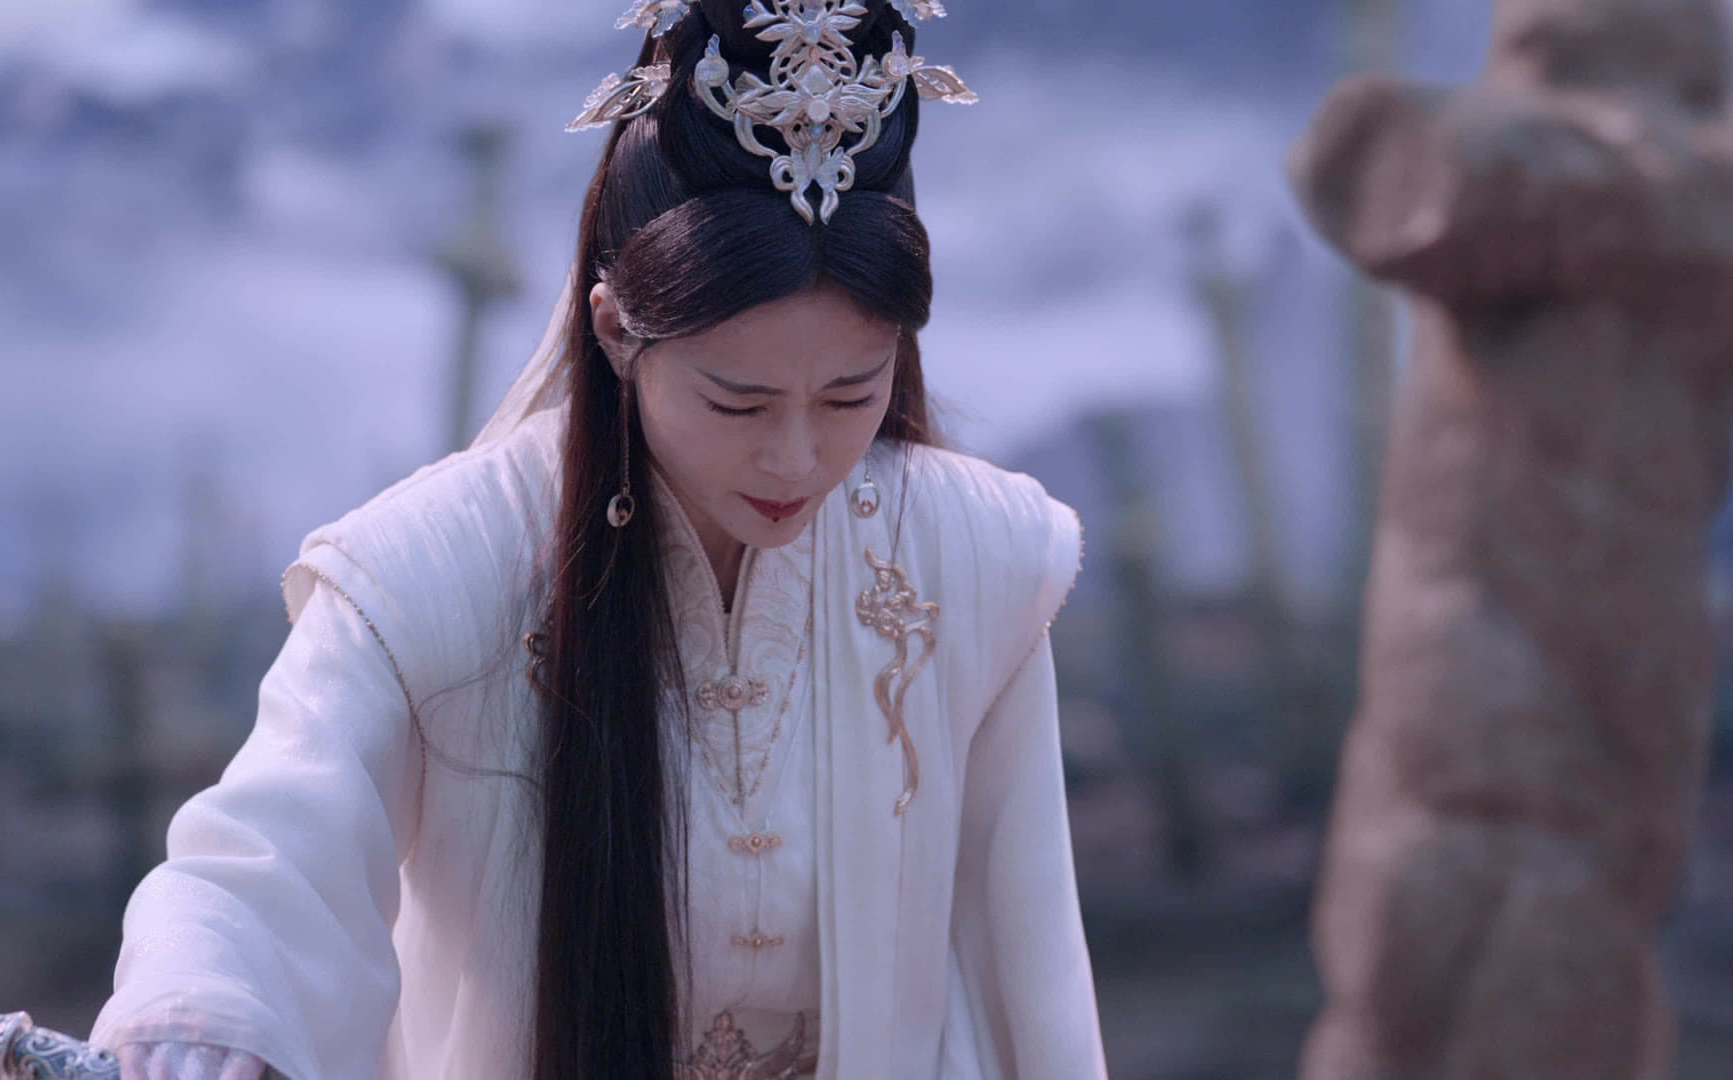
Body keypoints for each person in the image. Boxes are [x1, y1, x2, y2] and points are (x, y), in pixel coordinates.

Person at [93, 2, 1108, 1077]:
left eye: (851, 395)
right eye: (737, 402)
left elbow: (1029, 955)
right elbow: (269, 852)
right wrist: (201, 1017)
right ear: (618, 329)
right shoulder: (438, 567)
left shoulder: (971, 558)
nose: (797, 458)